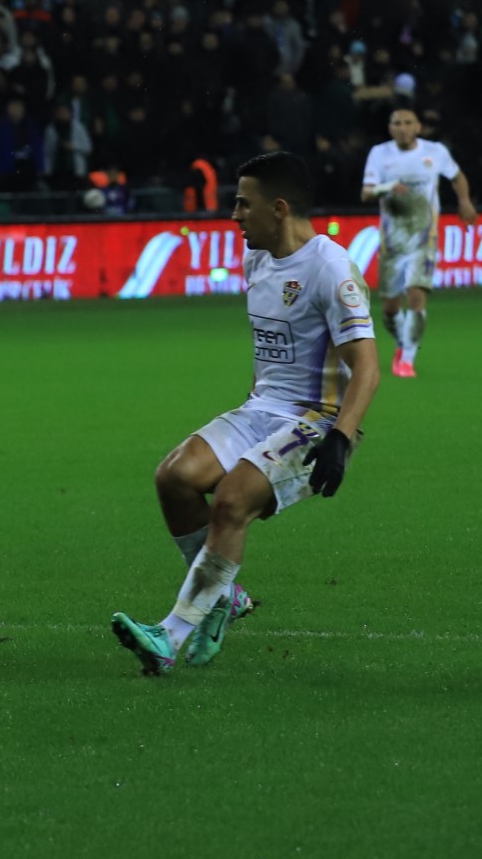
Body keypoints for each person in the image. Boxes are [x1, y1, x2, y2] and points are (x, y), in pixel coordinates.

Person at [111, 153, 378, 676]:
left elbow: (366, 368)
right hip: (263, 408)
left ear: (278, 209)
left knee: (232, 500)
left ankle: (170, 635)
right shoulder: (256, 258)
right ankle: (224, 599)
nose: (232, 215)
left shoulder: (331, 268)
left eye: (242, 203)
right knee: (175, 477)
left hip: (318, 419)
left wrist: (341, 440)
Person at [360, 108, 477, 378]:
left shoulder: (435, 151)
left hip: (424, 237)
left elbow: (457, 177)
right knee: (390, 308)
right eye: (396, 123)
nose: (402, 127)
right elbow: (366, 192)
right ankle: (404, 343)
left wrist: (464, 201)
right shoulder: (380, 153)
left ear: (418, 127)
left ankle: (407, 360)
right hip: (392, 240)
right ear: (390, 128)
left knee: (416, 294)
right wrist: (387, 188)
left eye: (407, 123)